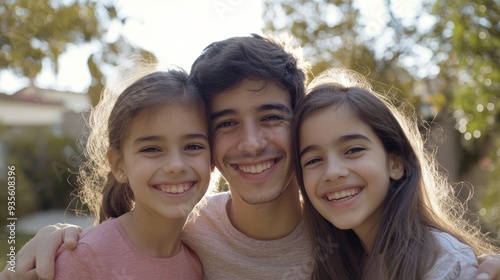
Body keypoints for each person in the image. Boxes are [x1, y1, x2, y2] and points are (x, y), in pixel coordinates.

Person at [2, 34, 500, 280]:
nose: (251, 143)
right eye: (225, 125)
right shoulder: (192, 235)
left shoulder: (349, 233)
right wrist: (56, 237)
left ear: (300, 118)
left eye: (270, 117)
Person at [292, 67, 500, 279]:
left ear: (395, 163)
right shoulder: (339, 265)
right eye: (313, 160)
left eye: (353, 150)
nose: (333, 172)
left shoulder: (442, 262)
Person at [53, 67, 211, 279]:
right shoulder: (83, 258)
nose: (176, 165)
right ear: (119, 166)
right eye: (151, 149)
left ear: (213, 159)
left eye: (193, 146)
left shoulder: (196, 263)